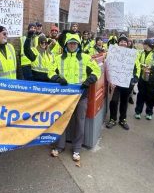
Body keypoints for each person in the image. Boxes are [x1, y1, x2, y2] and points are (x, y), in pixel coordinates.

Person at [49, 32, 101, 161]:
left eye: (75, 43)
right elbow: (50, 71)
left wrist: (89, 80)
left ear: (78, 44)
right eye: (70, 43)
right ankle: (60, 146)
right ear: (66, 44)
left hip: (80, 96)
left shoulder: (85, 57)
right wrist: (57, 78)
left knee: (79, 121)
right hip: (64, 96)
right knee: (61, 121)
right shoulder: (58, 57)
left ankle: (76, 148)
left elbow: (97, 70)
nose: (72, 45)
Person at [106, 36, 140, 130]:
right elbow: (108, 66)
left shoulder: (132, 54)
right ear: (118, 43)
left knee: (124, 102)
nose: (123, 43)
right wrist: (110, 80)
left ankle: (122, 119)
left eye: (125, 42)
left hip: (127, 82)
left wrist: (135, 78)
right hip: (115, 83)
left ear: (127, 43)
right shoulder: (113, 52)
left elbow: (137, 67)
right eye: (121, 42)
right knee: (114, 101)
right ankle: (112, 119)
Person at [135, 38, 154, 120]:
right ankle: (138, 111)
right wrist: (141, 65)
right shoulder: (141, 53)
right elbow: (137, 62)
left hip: (152, 79)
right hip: (142, 77)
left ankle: (149, 112)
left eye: (144, 44)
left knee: (150, 96)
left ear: (148, 45)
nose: (143, 45)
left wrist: (151, 67)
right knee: (140, 95)